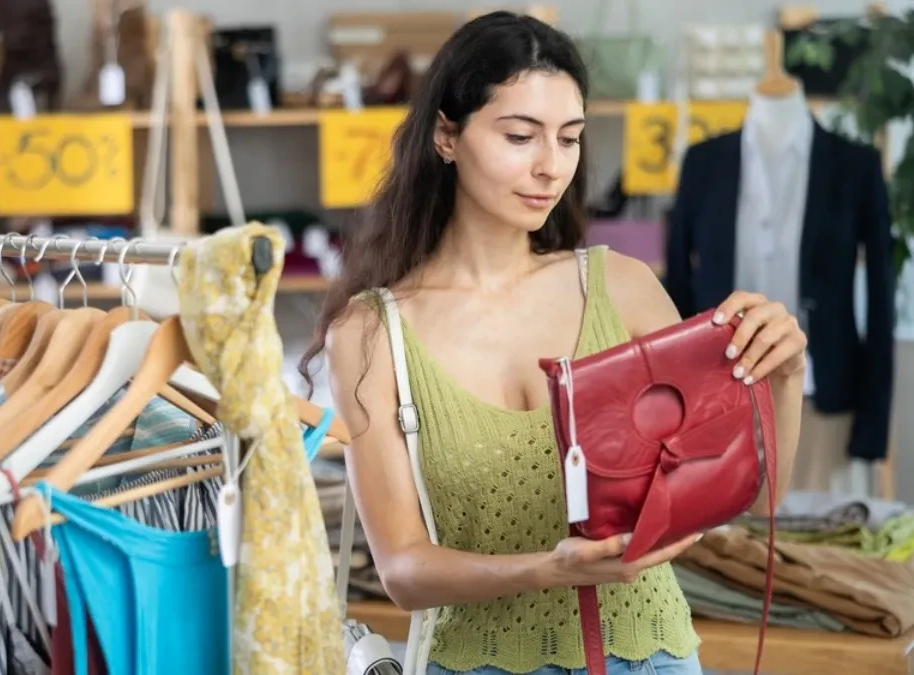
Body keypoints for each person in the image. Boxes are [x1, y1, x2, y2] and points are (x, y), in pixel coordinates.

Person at [299, 11, 806, 675]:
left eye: (568, 139)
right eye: (520, 136)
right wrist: (547, 567)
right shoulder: (370, 334)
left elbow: (755, 497)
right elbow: (403, 569)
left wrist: (786, 376)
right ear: (446, 135)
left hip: (652, 657)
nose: (550, 166)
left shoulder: (621, 289)